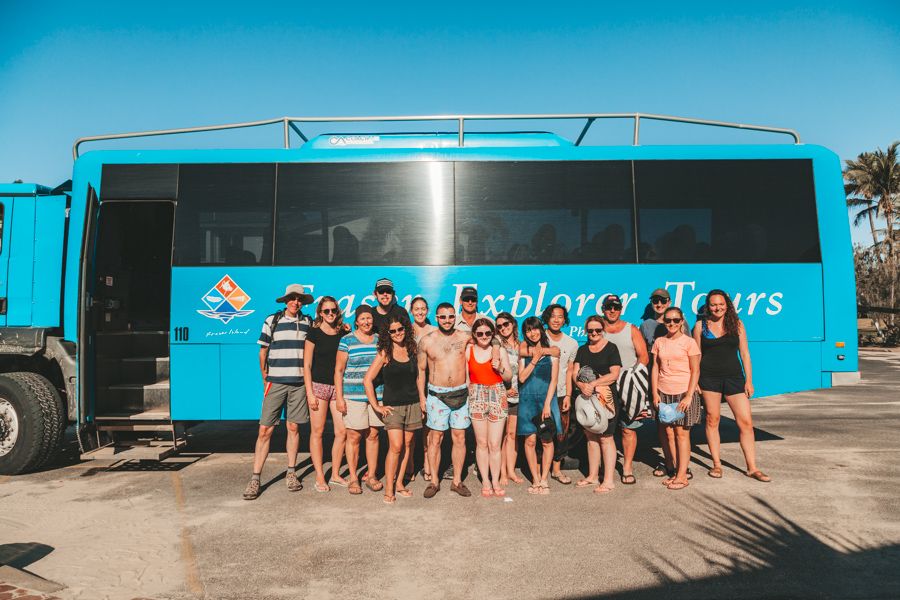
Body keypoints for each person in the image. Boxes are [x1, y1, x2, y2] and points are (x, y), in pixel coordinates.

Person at [243, 284, 314, 500]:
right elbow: (262, 351)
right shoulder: (272, 321)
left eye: (299, 299)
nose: (296, 302)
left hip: (299, 384)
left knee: (293, 428)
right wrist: (265, 378)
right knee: (265, 430)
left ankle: (291, 473)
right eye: (292, 298)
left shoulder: (308, 323)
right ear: (285, 301)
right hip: (276, 383)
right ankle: (255, 478)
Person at [693, 290, 770, 482]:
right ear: (707, 306)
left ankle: (752, 467)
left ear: (727, 304)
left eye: (720, 304)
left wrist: (749, 380)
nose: (717, 308)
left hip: (734, 378)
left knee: (745, 423)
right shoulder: (700, 326)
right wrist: (695, 382)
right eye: (713, 304)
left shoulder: (737, 324)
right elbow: (696, 356)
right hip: (709, 379)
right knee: (712, 419)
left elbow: (745, 354)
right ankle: (717, 465)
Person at [363, 314, 421, 504]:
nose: (397, 333)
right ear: (388, 334)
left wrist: (422, 400)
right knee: (395, 447)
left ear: (405, 329)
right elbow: (368, 379)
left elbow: (419, 377)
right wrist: (376, 406)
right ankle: (389, 488)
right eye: (393, 331)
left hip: (413, 404)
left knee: (407, 446)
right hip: (393, 407)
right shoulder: (384, 353)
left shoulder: (413, 349)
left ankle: (400, 484)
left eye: (400, 329)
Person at [417, 302, 473, 498]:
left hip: (460, 394)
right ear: (437, 317)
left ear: (455, 317)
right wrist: (422, 397)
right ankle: (434, 481)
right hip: (436, 396)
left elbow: (489, 339)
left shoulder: (465, 337)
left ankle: (457, 481)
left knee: (460, 438)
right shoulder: (426, 341)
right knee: (435, 439)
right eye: (442, 317)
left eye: (450, 316)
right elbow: (421, 372)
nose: (447, 320)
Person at [640, 287, 690, 480]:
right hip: (659, 384)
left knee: (680, 430)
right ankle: (669, 462)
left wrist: (693, 385)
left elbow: (691, 354)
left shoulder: (681, 323)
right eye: (655, 301)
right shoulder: (646, 326)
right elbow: (646, 358)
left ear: (669, 302)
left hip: (680, 384)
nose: (659, 304)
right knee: (664, 428)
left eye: (663, 300)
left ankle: (681, 467)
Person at [651, 306, 702, 491]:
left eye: (675, 320)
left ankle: (682, 476)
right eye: (668, 320)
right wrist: (655, 392)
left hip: (683, 393)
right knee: (668, 433)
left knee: (682, 434)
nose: (671, 323)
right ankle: (673, 471)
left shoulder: (689, 343)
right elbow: (655, 368)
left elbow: (695, 370)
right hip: (664, 392)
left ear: (681, 322)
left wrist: (689, 396)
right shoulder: (659, 342)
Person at [334, 305, 384, 495]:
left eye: (369, 318)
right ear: (356, 321)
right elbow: (339, 370)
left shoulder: (380, 340)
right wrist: (339, 397)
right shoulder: (347, 340)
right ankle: (354, 478)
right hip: (353, 396)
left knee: (373, 435)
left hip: (377, 395)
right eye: (362, 318)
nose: (366, 322)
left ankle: (371, 475)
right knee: (354, 436)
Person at [601, 294, 650, 484]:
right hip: (605, 386)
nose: (612, 310)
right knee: (603, 429)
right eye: (608, 307)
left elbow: (643, 356)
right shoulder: (598, 329)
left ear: (621, 309)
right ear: (603, 309)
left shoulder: (631, 329)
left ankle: (627, 468)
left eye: (616, 307)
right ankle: (606, 467)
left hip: (629, 386)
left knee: (628, 429)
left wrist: (632, 376)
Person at [571, 315, 622, 493]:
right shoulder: (583, 349)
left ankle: (608, 480)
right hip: (586, 399)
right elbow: (574, 373)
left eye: (597, 330)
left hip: (605, 399)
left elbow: (614, 374)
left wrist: (593, 384)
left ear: (603, 330)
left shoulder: (611, 348)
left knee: (606, 437)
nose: (594, 333)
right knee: (590, 435)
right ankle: (593, 476)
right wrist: (581, 385)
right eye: (590, 330)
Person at [302, 296, 347, 492]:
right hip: (318, 387)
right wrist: (309, 393)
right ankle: (320, 476)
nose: (330, 314)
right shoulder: (313, 333)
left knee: (342, 432)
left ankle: (335, 474)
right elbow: (307, 365)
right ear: (320, 313)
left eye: (333, 311)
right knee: (318, 432)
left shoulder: (343, 333)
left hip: (338, 387)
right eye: (326, 311)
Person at [466, 318, 512, 497]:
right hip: (476, 395)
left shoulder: (499, 351)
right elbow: (466, 378)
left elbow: (508, 376)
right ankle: (485, 480)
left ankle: (495, 480)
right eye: (480, 333)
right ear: (474, 335)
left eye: (487, 333)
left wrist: (500, 367)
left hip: (497, 394)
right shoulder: (469, 351)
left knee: (495, 444)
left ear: (492, 334)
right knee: (482, 443)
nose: (484, 336)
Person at [516, 317, 561, 495]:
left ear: (540, 330)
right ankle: (535, 478)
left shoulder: (553, 352)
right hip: (527, 399)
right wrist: (534, 359)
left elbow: (554, 380)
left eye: (535, 329)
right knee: (530, 440)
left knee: (547, 439)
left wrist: (548, 405)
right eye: (528, 330)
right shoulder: (524, 351)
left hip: (546, 400)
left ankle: (544, 479)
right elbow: (521, 378)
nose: (532, 333)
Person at [541, 304, 578, 485]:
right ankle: (540, 471)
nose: (556, 320)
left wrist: (569, 396)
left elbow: (570, 371)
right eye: (553, 316)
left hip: (562, 393)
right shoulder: (539, 338)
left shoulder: (571, 343)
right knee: (541, 432)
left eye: (560, 317)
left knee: (561, 433)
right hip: (540, 394)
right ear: (547, 318)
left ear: (565, 320)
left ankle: (556, 470)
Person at [496, 312, 523, 486]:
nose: (503, 328)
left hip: (520, 395)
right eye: (499, 326)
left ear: (512, 324)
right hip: (502, 395)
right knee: (502, 436)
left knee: (513, 434)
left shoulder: (522, 345)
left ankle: (511, 471)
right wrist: (505, 391)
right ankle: (502, 473)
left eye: (506, 324)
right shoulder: (496, 345)